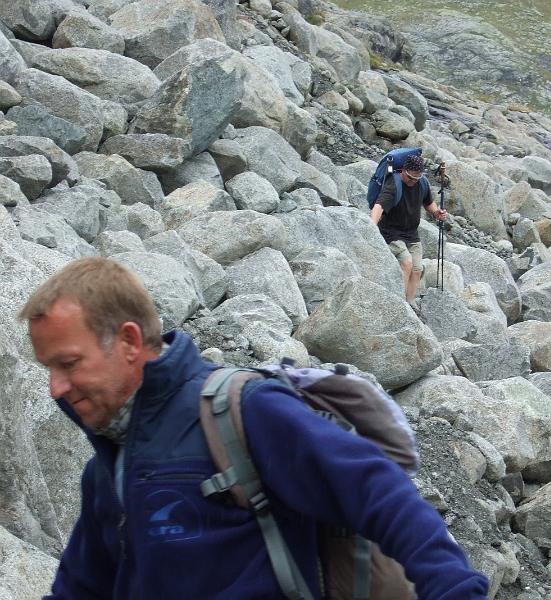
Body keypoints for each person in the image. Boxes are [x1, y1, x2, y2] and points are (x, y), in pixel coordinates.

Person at [20, 257, 489, 599]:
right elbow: (82, 587)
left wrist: (453, 588)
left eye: (69, 363)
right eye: (49, 368)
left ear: (128, 340)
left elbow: (378, 492)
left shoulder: (244, 412)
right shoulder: (108, 468)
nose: (55, 388)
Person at [370, 154, 448, 302]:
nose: (413, 181)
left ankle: (410, 303)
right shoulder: (394, 184)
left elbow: (428, 202)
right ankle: (399, 302)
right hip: (391, 233)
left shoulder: (422, 183)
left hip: (411, 233)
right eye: (411, 178)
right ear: (403, 171)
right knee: (407, 263)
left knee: (417, 269)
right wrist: (371, 227)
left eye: (417, 178)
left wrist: (436, 213)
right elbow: (379, 206)